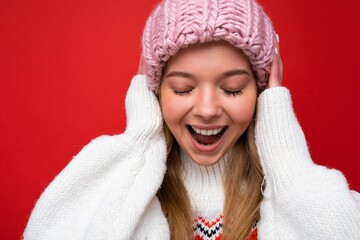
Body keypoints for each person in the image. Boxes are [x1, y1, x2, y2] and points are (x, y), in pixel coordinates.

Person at [23, 0, 360, 239]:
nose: (208, 109)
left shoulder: (294, 193)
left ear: (262, 93)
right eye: (183, 89)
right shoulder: (129, 193)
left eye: (232, 88)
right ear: (155, 92)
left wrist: (289, 164)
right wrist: (140, 137)